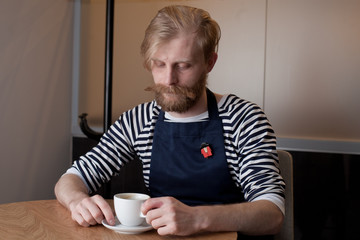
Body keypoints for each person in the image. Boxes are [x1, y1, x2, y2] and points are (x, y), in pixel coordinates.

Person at [55, 5, 285, 238]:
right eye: (159, 64)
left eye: (183, 66)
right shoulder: (140, 120)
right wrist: (77, 201)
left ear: (209, 63)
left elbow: (272, 214)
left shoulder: (242, 118)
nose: (168, 79)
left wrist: (198, 218)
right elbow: (72, 179)